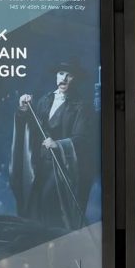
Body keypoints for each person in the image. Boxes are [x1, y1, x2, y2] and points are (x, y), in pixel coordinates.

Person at [10, 62, 93, 231]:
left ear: (75, 79)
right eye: (61, 73)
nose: (63, 78)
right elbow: (32, 128)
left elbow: (82, 138)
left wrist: (58, 144)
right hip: (39, 165)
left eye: (68, 75)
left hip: (62, 168)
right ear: (56, 76)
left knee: (52, 209)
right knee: (35, 206)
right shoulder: (45, 100)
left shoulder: (81, 106)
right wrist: (24, 108)